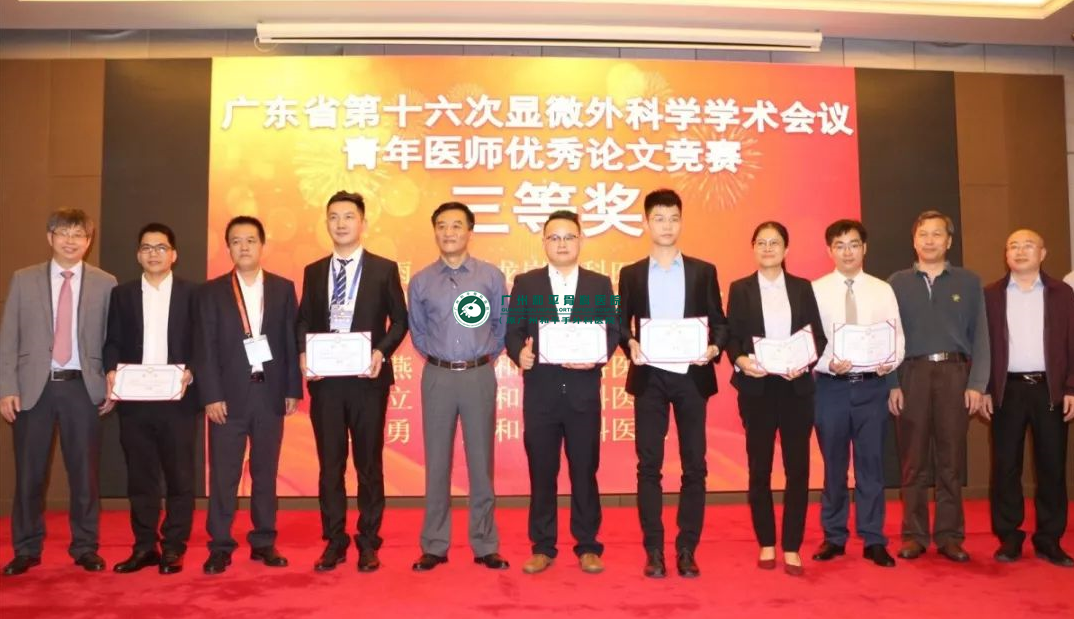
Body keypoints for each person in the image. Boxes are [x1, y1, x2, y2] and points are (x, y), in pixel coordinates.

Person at [617, 189, 727, 578]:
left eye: (674, 218)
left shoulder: (703, 271)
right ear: (646, 223)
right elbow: (620, 322)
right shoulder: (631, 273)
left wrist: (713, 347)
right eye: (659, 218)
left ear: (681, 222)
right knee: (649, 465)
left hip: (691, 376)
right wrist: (629, 342)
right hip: (650, 377)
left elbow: (720, 321)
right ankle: (654, 550)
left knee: (694, 464)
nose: (667, 225)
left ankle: (686, 548)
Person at [0, 208, 117, 576]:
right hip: (32, 389)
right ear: (49, 237)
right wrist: (7, 387)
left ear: (89, 240)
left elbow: (113, 339)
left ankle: (85, 547)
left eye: (78, 234)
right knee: (29, 474)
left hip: (82, 387)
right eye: (63, 233)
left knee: (85, 474)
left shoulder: (106, 282)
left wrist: (111, 380)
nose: (71, 240)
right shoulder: (24, 279)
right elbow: (8, 337)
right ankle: (26, 548)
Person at [296, 191, 408, 572]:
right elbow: (303, 319)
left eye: (348, 216)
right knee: (330, 465)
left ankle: (369, 540)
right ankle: (335, 540)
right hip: (327, 382)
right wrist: (304, 353)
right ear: (326, 223)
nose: (341, 223)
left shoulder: (383, 268)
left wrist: (381, 352)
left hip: (367, 380)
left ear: (363, 223)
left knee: (368, 464)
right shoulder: (314, 271)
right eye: (334, 217)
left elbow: (401, 320)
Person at [505, 210, 619, 575]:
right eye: (554, 238)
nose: (562, 244)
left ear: (580, 240)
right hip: (541, 394)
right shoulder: (527, 283)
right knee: (542, 471)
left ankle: (588, 545)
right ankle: (543, 546)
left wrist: (596, 357)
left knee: (584, 470)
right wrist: (518, 353)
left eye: (569, 237)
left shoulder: (599, 284)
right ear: (544, 243)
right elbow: (513, 331)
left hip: (583, 393)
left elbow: (612, 331)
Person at [194, 215, 302, 575]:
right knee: (224, 475)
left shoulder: (283, 288)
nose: (244, 247)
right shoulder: (211, 292)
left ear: (262, 245)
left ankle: (264, 541)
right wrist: (211, 395)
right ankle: (220, 545)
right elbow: (204, 347)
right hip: (227, 399)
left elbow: (290, 342)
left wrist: (292, 388)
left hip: (270, 394)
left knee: (265, 472)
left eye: (251, 240)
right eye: (236, 241)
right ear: (228, 248)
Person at [407, 201, 510, 572]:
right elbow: (418, 331)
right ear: (434, 231)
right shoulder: (420, 281)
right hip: (437, 376)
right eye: (441, 226)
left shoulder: (491, 277)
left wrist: (481, 356)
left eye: (456, 225)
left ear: (470, 231)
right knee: (437, 462)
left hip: (478, 375)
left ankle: (485, 544)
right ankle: (435, 544)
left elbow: (501, 326)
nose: (448, 232)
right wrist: (442, 359)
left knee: (481, 462)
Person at [887, 210, 989, 563]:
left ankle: (949, 535)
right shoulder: (896, 283)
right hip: (911, 374)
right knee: (912, 461)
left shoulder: (969, 282)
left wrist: (977, 383)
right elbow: (888, 337)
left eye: (937, 234)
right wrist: (892, 383)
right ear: (913, 240)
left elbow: (982, 336)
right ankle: (914, 535)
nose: (929, 240)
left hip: (954, 375)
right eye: (923, 234)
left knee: (950, 460)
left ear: (949, 241)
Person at [726, 221, 826, 577]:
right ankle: (767, 541)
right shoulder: (740, 289)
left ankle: (792, 545)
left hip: (796, 389)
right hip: (758, 388)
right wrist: (741, 361)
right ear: (753, 248)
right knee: (760, 468)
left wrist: (805, 361)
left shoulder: (802, 288)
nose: (768, 248)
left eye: (775, 242)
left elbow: (818, 337)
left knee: (798, 469)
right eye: (761, 242)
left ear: (786, 249)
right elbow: (731, 337)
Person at [103, 223, 198, 575]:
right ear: (138, 254)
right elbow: (112, 341)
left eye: (161, 247)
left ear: (174, 254)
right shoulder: (122, 295)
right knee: (140, 478)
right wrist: (110, 370)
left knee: (179, 478)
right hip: (135, 401)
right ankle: (144, 546)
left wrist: (193, 370)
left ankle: (173, 547)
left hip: (178, 400)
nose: (153, 253)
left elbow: (203, 341)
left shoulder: (193, 294)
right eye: (146, 247)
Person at [810, 220, 903, 568]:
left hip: (871, 387)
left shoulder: (882, 290)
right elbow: (809, 339)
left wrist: (890, 360)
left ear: (865, 248)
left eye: (853, 244)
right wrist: (827, 363)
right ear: (829, 250)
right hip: (830, 388)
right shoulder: (815, 290)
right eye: (840, 245)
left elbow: (897, 336)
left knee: (871, 465)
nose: (847, 252)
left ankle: (873, 538)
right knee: (833, 466)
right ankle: (834, 536)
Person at [981, 229, 1074, 568]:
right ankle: (1009, 536)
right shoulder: (990, 295)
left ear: (1043, 253)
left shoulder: (1062, 293)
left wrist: (1071, 388)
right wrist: (985, 387)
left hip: (1050, 389)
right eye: (1013, 246)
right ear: (1006, 254)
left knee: (1052, 466)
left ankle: (1049, 539)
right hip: (1007, 389)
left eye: (1028, 245)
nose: (1020, 252)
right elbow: (982, 346)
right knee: (1005, 466)